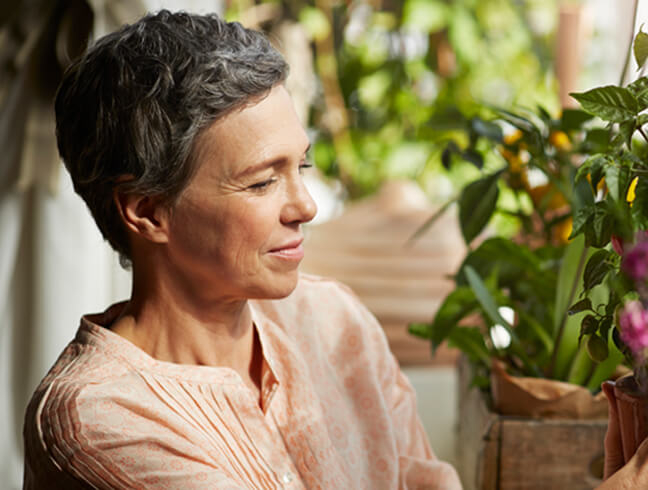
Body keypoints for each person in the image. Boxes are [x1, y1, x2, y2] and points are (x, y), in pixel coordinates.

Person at [23, 11, 461, 489]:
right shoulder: (96, 420)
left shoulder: (334, 319)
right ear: (147, 212)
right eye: (262, 182)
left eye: (303, 166)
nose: (306, 206)